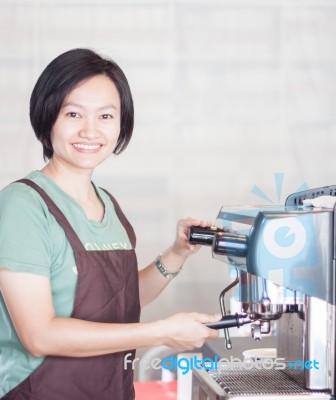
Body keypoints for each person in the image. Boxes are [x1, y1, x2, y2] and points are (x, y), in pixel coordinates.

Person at [0, 48, 221, 400]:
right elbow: (40, 335)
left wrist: (177, 254)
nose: (90, 130)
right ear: (47, 117)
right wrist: (161, 332)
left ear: (121, 124)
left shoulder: (108, 204)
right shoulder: (22, 206)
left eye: (105, 115)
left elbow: (120, 301)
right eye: (73, 113)